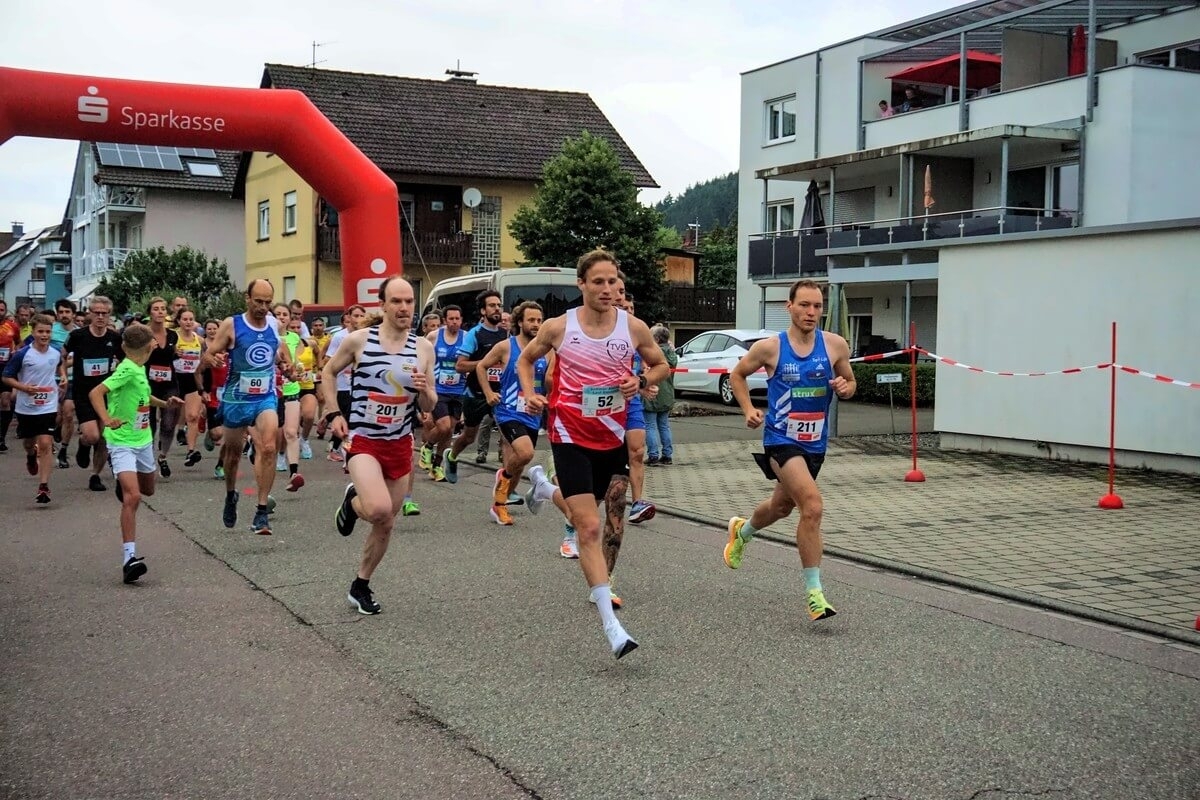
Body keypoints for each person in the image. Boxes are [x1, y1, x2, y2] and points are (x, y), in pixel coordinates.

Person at [518, 248, 668, 659]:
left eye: (612, 281)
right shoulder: (558, 327)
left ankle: (544, 489)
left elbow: (661, 367)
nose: (606, 289)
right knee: (588, 527)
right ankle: (612, 626)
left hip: (611, 437)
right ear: (581, 284)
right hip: (568, 434)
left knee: (606, 504)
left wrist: (639, 379)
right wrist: (531, 394)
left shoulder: (632, 327)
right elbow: (526, 362)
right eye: (597, 281)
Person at [722, 279, 856, 622]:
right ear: (790, 307)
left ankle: (742, 531)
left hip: (815, 444)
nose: (811, 312)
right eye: (804, 305)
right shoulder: (770, 348)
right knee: (811, 507)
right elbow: (737, 375)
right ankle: (815, 594)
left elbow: (851, 384)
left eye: (817, 306)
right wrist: (748, 409)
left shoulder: (836, 345)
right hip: (780, 440)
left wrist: (845, 386)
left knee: (782, 506)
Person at [324, 276, 437, 615]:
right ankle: (352, 501)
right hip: (364, 440)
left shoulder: (423, 348)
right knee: (378, 509)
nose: (404, 308)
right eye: (397, 301)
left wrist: (423, 391)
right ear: (383, 304)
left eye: (409, 302)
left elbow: (430, 404)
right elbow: (328, 373)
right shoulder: (358, 341)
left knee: (387, 522)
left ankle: (361, 584)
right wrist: (333, 413)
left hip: (400, 442)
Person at [89, 323, 184, 584]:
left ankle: (125, 482)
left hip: (143, 440)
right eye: (154, 341)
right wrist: (107, 419)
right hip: (121, 441)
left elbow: (143, 396)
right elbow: (95, 392)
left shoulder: (139, 368)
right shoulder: (127, 369)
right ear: (148, 345)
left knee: (148, 490)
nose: (156, 344)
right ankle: (129, 559)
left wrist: (165, 403)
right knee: (133, 497)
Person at [203, 279, 296, 535]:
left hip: (265, 396)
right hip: (236, 397)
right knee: (232, 454)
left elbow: (277, 355)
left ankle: (261, 511)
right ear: (248, 298)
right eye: (258, 301)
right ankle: (231, 494)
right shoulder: (232, 324)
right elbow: (209, 355)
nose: (263, 307)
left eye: (268, 302)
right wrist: (215, 358)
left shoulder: (274, 325)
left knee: (268, 447)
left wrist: (287, 368)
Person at [475, 300, 553, 526]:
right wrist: (489, 393)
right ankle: (502, 484)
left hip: (533, 413)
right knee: (526, 453)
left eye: (539, 320)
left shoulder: (547, 352)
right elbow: (481, 366)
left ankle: (499, 504)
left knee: (518, 464)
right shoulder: (506, 347)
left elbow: (549, 381)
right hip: (508, 410)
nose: (536, 324)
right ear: (520, 322)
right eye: (531, 320)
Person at [3, 314, 67, 503]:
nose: (44, 335)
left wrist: (62, 376)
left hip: (48, 405)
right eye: (40, 331)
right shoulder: (23, 354)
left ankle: (44, 487)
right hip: (27, 407)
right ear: (33, 332)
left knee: (46, 444)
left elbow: (60, 364)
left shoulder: (55, 351)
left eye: (47, 332)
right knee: (29, 443)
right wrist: (24, 388)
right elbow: (6, 377)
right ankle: (31, 456)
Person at [443, 291, 506, 483]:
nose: (497, 309)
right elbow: (460, 366)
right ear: (482, 311)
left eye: (499, 305)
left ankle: (506, 484)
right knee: (469, 436)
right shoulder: (475, 334)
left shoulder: (506, 334)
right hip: (476, 393)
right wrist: (485, 363)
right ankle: (451, 456)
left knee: (509, 436)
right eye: (492, 305)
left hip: (500, 393)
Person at [65, 296, 124, 491]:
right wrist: (62, 375)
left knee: (105, 437)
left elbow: (125, 363)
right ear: (90, 313)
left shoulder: (115, 338)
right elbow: (61, 356)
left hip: (107, 394)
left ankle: (95, 475)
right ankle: (83, 444)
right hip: (84, 393)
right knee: (92, 436)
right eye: (96, 313)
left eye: (104, 313)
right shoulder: (78, 336)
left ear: (109, 315)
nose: (100, 317)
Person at [614, 280, 655, 525]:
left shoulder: (639, 334)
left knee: (638, 452)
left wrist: (646, 383)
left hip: (632, 403)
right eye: (623, 307)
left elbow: (649, 368)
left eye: (631, 308)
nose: (628, 312)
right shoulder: (602, 334)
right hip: (603, 405)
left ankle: (637, 503)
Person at [419, 304, 464, 483]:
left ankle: (437, 466)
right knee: (443, 426)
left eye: (458, 319)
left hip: (459, 389)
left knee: (449, 431)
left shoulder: (467, 337)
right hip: (438, 389)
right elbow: (423, 359)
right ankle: (427, 446)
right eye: (451, 319)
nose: (455, 322)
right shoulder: (434, 337)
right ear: (445, 320)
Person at [321, 304, 367, 462]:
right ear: (348, 317)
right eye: (355, 316)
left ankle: (341, 445)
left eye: (362, 316)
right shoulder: (341, 337)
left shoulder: (367, 336)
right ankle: (337, 447)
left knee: (354, 417)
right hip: (342, 383)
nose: (359, 319)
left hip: (359, 384)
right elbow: (328, 361)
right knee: (347, 417)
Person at [142, 297, 181, 477]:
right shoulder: (144, 334)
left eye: (163, 309)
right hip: (148, 383)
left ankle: (163, 456)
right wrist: (149, 350)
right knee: (149, 423)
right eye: (156, 308)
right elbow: (136, 358)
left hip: (169, 382)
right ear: (150, 312)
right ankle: (147, 458)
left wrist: (176, 354)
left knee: (168, 421)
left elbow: (171, 357)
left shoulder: (172, 335)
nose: (160, 312)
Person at [271, 303, 304, 491]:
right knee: (272, 435)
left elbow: (293, 364)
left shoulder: (293, 338)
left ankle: (294, 473)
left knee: (291, 432)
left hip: (290, 389)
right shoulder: (266, 337)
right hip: (269, 392)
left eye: (285, 314)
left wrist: (295, 371)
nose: (281, 317)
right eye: (277, 314)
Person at [173, 309, 205, 467]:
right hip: (176, 379)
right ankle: (173, 435)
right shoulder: (173, 337)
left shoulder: (199, 340)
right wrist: (172, 352)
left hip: (193, 379)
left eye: (191, 319)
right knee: (172, 416)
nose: (188, 322)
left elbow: (203, 362)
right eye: (184, 319)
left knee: (193, 416)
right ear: (178, 321)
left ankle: (191, 451)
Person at [197, 319, 228, 479]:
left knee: (230, 436)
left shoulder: (234, 350)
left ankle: (220, 465)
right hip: (214, 396)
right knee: (217, 434)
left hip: (232, 397)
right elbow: (197, 372)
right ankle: (210, 432)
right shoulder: (209, 354)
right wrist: (202, 391)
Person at [643, 325, 677, 466]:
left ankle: (653, 455)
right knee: (664, 426)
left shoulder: (653, 355)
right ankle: (667, 455)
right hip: (667, 394)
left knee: (650, 426)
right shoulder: (672, 354)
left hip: (653, 394)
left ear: (656, 339)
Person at [50, 299, 78, 469]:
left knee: (68, 414)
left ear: (73, 314)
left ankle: (63, 451)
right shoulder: (50, 331)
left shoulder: (79, 333)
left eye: (67, 312)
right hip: (51, 379)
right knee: (57, 416)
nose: (64, 315)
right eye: (61, 312)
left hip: (73, 379)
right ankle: (55, 432)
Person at [0, 299, 21, 451]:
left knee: (6, 401)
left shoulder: (12, 326)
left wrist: (15, 351)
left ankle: (1, 438)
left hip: (5, 368)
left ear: (5, 311)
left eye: (1, 309)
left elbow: (19, 342)